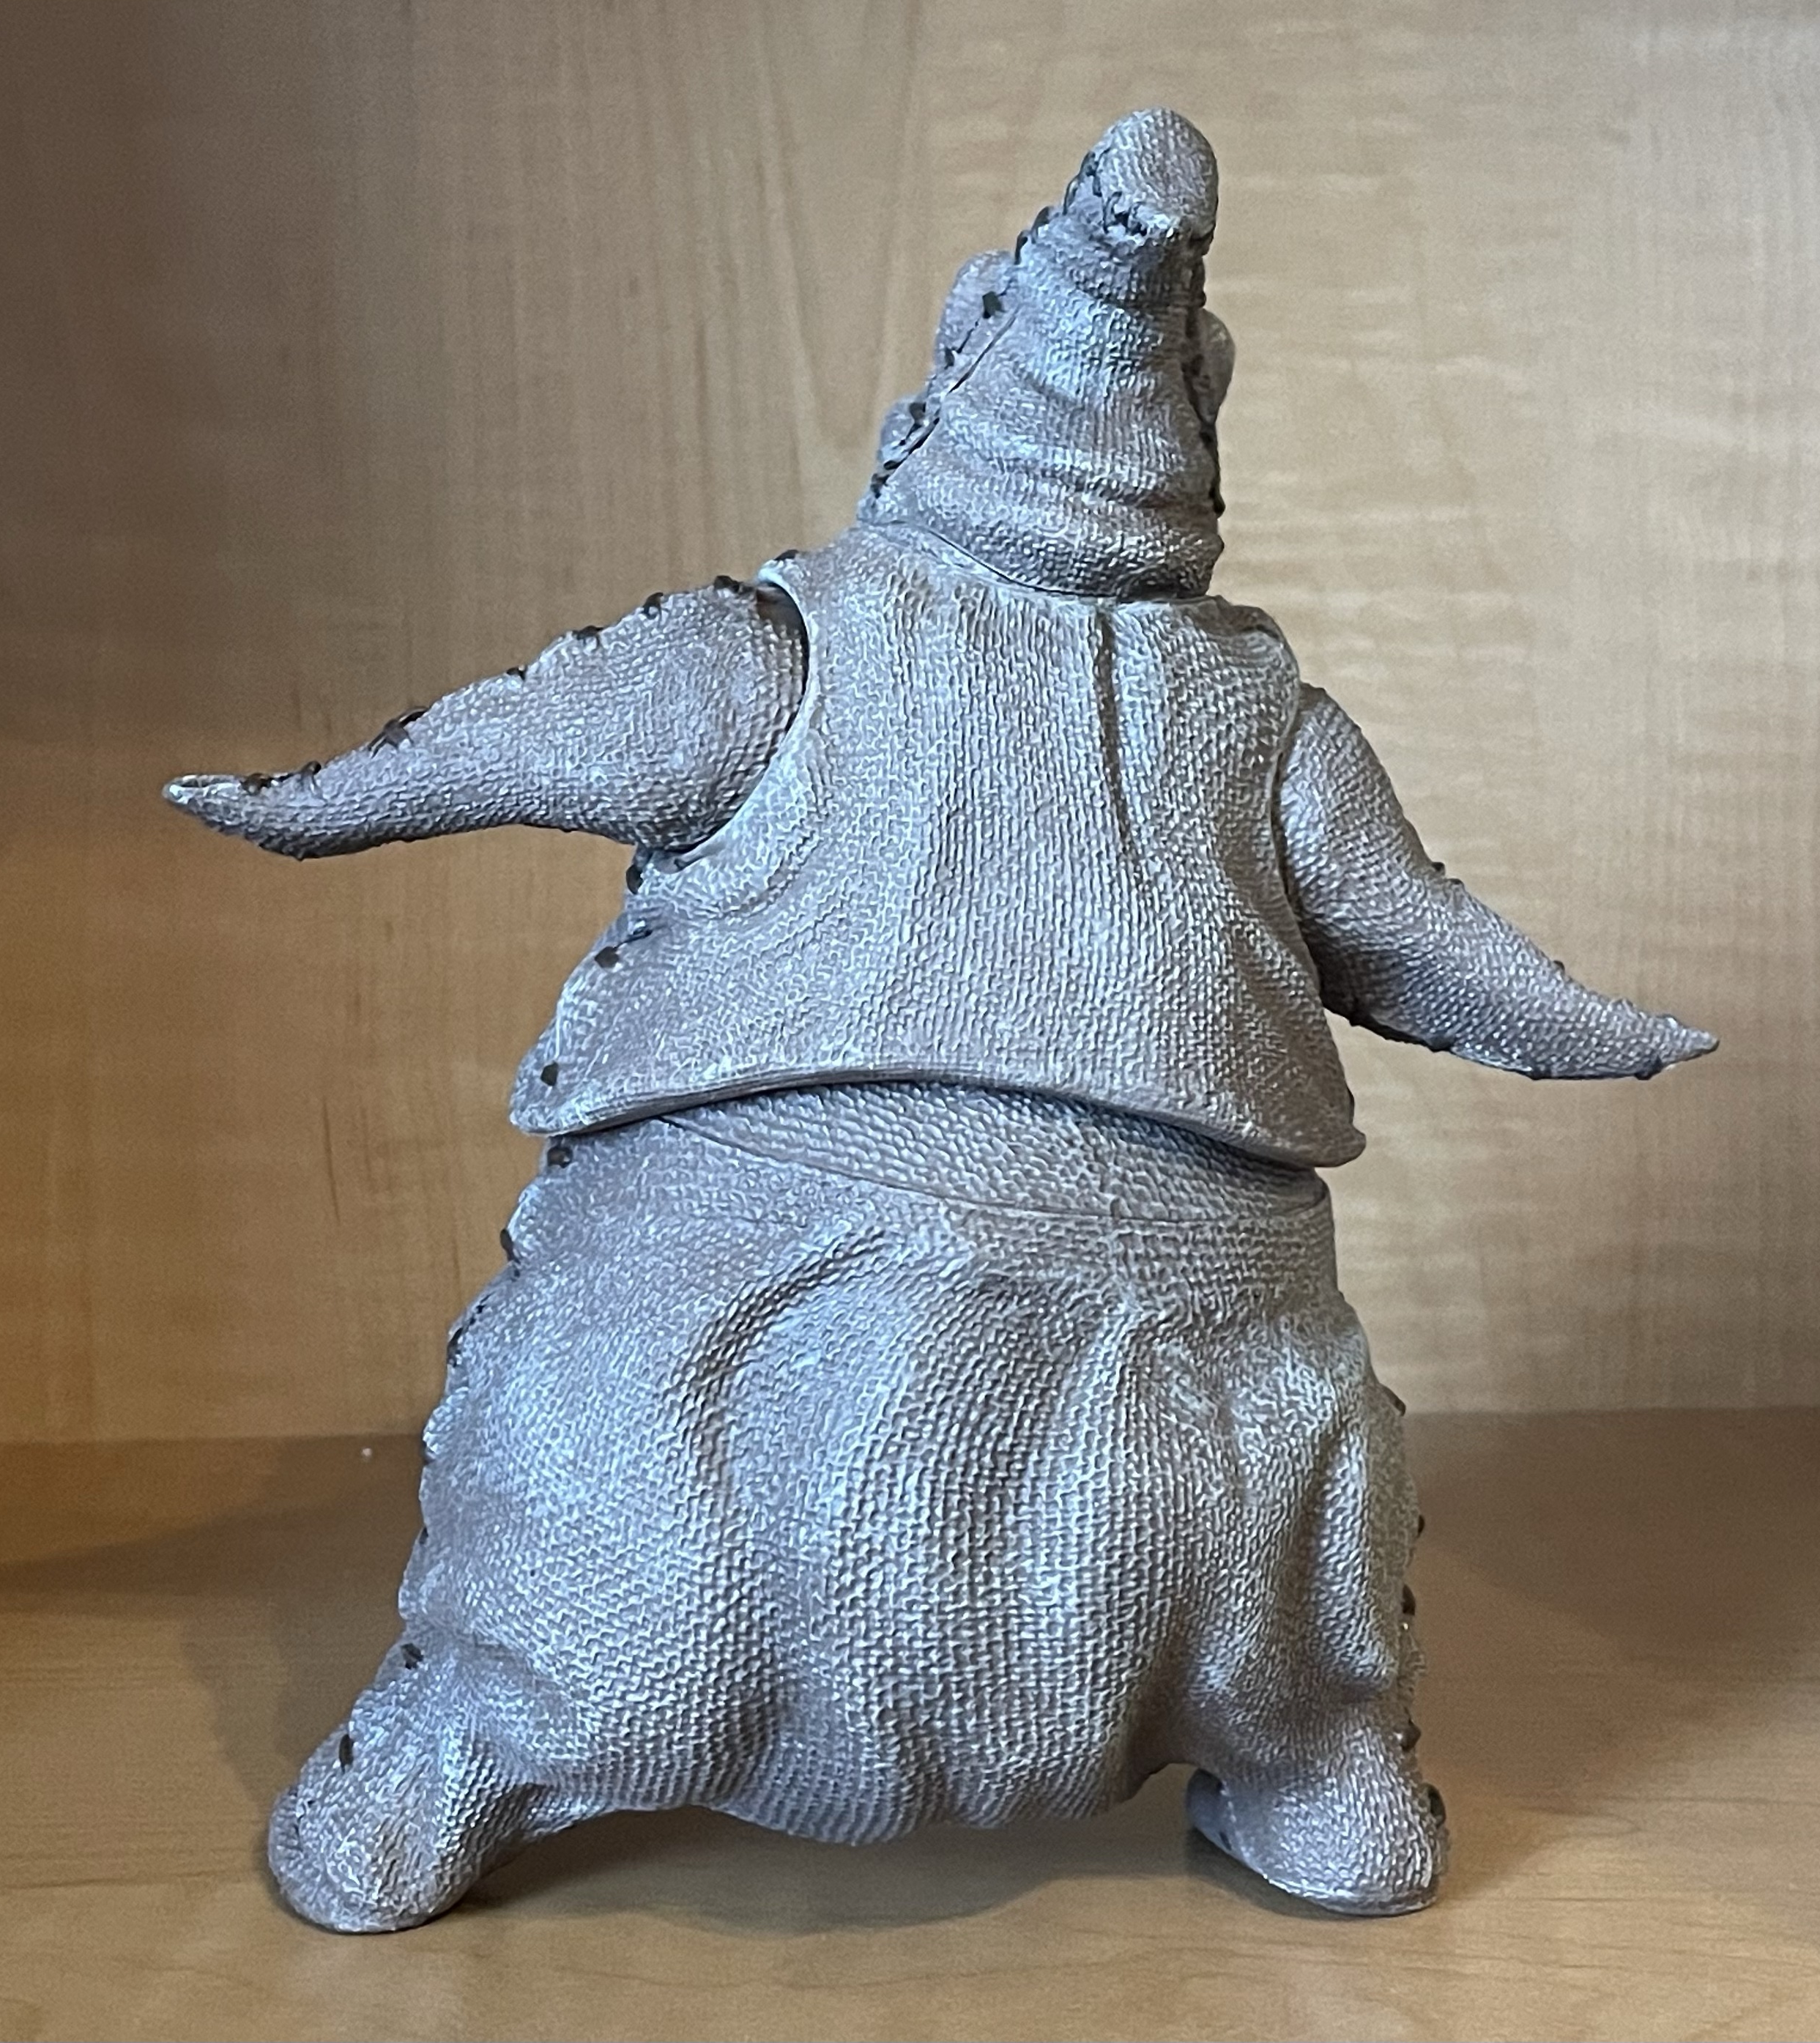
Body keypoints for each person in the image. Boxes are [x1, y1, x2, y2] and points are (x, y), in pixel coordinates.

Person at [167, 108, 1712, 1932]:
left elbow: (476, 750)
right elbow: (1431, 949)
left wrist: (313, 798)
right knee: (1265, 1584)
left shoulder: (777, 653)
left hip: (727, 1388)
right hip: (1152, 1440)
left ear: (942, 397)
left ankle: (445, 1767)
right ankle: (1315, 1770)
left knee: (616, 1561)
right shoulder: (1256, 726)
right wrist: (1599, 1027)